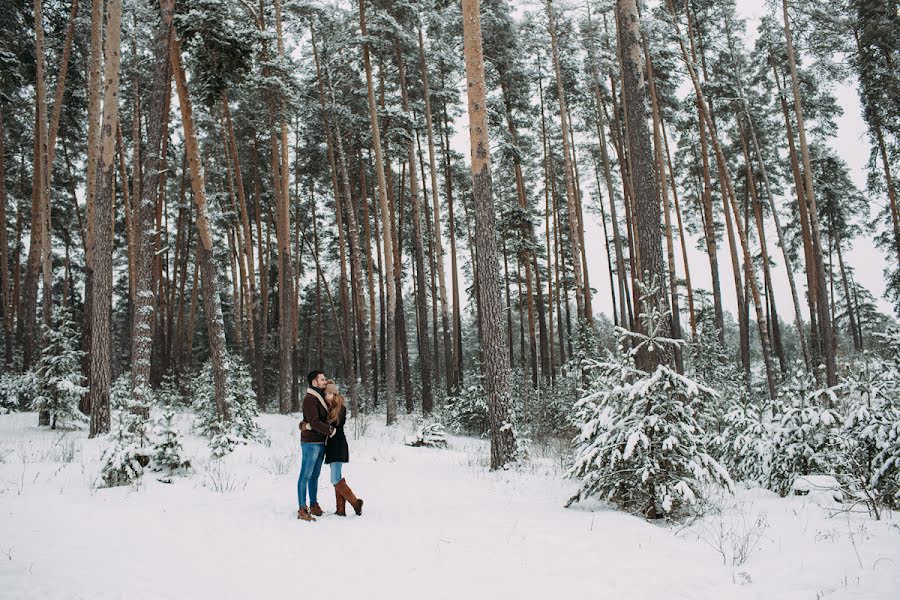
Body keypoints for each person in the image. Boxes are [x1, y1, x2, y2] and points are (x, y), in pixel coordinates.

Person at [297, 370, 334, 522]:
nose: (325, 381)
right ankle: (302, 508)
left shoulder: (320, 397)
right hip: (310, 443)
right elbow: (314, 422)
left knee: (314, 475)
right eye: (322, 379)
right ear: (314, 382)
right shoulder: (310, 399)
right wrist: (330, 430)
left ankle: (313, 505)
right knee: (305, 475)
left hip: (320, 442)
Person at [323, 381, 363, 517]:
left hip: (338, 444)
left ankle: (356, 503)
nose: (327, 396)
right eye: (325, 394)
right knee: (338, 478)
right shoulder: (329, 406)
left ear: (334, 394)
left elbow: (335, 425)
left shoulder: (340, 407)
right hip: (332, 445)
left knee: (334, 479)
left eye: (329, 393)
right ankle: (340, 510)